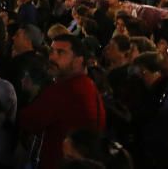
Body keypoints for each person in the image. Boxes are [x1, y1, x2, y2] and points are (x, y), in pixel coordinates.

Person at [18, 34, 105, 169]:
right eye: (52, 51)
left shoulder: (65, 90)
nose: (52, 57)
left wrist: (30, 95)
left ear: (78, 60)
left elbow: (28, 121)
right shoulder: (88, 85)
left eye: (61, 52)